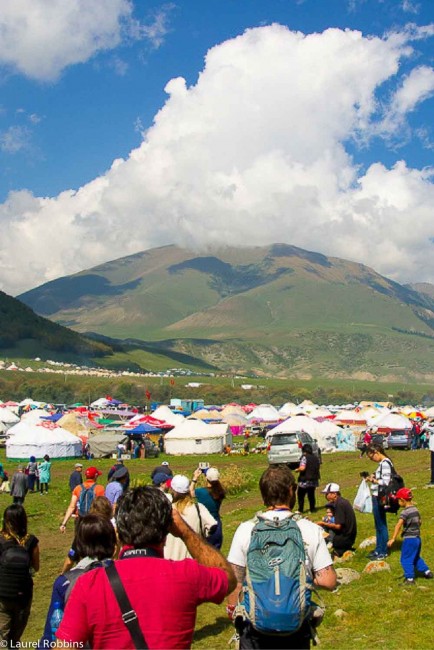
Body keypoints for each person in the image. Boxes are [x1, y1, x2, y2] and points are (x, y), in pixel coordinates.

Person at [56, 486, 236, 649]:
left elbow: (65, 646)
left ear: (119, 529)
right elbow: (228, 578)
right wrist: (185, 532)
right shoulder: (187, 575)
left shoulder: (88, 584)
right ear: (167, 531)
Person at [227, 465, 336, 649]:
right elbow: (328, 581)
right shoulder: (309, 529)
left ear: (263, 494)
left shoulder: (246, 530)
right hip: (296, 626)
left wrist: (233, 612)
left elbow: (234, 581)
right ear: (291, 490)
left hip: (255, 629)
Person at [40, 514, 117, 645]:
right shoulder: (125, 576)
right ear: (113, 544)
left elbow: (51, 634)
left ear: (78, 544)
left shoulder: (65, 582)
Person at [0, 505, 39, 646]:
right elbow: (37, 567)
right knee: (15, 636)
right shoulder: (31, 541)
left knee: (2, 633)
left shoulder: (0, 539)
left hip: (2, 593)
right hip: (23, 593)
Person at [165, 475, 217, 561]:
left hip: (170, 562)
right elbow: (213, 525)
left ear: (172, 490)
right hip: (192, 562)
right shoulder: (198, 508)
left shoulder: (167, 509)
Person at [387, 487, 433, 585]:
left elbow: (398, 525)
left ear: (402, 500)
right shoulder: (415, 509)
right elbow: (420, 521)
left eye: (398, 500)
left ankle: (410, 579)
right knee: (415, 556)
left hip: (409, 539)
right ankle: (427, 572)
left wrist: (393, 538)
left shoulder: (405, 512)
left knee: (405, 559)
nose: (398, 502)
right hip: (417, 538)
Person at [365, 444, 393, 559]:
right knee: (378, 524)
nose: (372, 459)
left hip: (380, 497)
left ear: (376, 452)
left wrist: (373, 480)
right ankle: (378, 549)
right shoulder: (382, 464)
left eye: (372, 457)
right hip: (377, 496)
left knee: (381, 524)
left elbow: (385, 482)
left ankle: (383, 550)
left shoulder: (385, 463)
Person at [316, 483, 357, 556]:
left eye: (327, 494)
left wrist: (324, 524)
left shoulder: (339, 504)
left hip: (345, 538)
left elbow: (338, 526)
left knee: (332, 540)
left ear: (334, 494)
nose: (326, 497)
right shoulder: (343, 501)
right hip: (350, 535)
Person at [190, 466, 225, 549]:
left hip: (204, 524)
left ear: (206, 478)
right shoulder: (221, 492)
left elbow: (190, 492)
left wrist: (195, 478)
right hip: (217, 523)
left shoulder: (201, 492)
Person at [60, 467, 105, 532]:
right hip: (94, 521)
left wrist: (63, 523)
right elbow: (103, 507)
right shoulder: (100, 488)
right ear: (95, 476)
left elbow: (72, 507)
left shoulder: (78, 488)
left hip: (80, 520)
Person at [294, 443, 321, 513]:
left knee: (301, 495)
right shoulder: (315, 458)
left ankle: (300, 509)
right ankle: (312, 509)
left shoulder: (304, 457)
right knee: (311, 495)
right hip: (314, 479)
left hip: (305, 480)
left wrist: (297, 470)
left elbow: (302, 468)